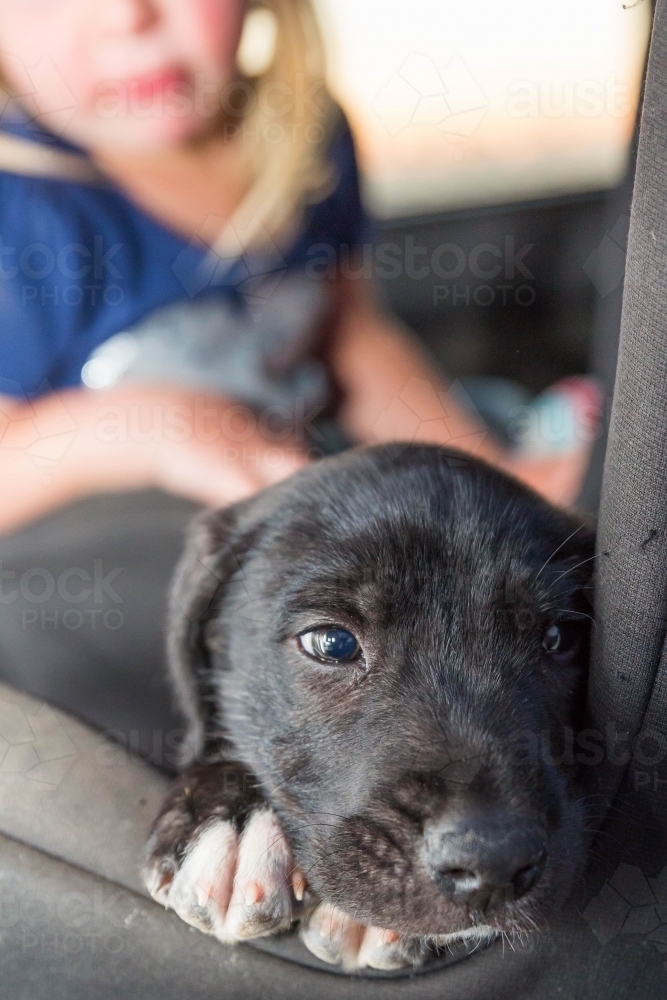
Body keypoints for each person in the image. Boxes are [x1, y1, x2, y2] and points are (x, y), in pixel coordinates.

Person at [0, 0, 592, 758]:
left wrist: (491, 468)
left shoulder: (300, 131)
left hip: (311, 478)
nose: (126, 17)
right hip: (135, 562)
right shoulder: (27, 216)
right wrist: (145, 427)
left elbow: (349, 335)